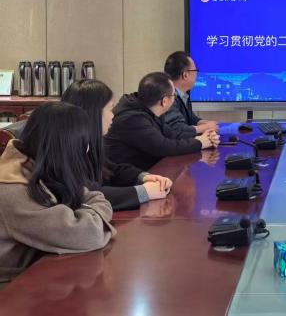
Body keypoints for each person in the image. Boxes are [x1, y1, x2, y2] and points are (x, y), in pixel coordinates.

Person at [0, 103, 115, 285]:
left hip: (34, 274)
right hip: (12, 289)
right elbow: (88, 234)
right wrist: (93, 214)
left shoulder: (36, 165)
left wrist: (90, 210)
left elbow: (91, 195)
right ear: (66, 145)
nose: (87, 149)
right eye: (83, 143)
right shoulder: (14, 189)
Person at [62, 79, 173, 211]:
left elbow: (111, 170)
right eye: (110, 109)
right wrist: (144, 192)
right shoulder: (66, 150)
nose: (113, 115)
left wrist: (144, 177)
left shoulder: (89, 142)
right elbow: (87, 195)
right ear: (94, 113)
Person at [105, 72, 219, 171]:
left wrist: (205, 137)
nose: (175, 99)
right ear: (164, 101)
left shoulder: (148, 109)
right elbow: (164, 147)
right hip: (127, 178)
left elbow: (172, 133)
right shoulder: (133, 118)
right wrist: (200, 142)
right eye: (174, 96)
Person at [163, 51, 219, 138]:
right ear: (185, 75)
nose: (197, 75)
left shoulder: (182, 94)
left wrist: (206, 124)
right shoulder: (168, 97)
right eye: (195, 71)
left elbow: (191, 119)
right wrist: (205, 127)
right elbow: (177, 129)